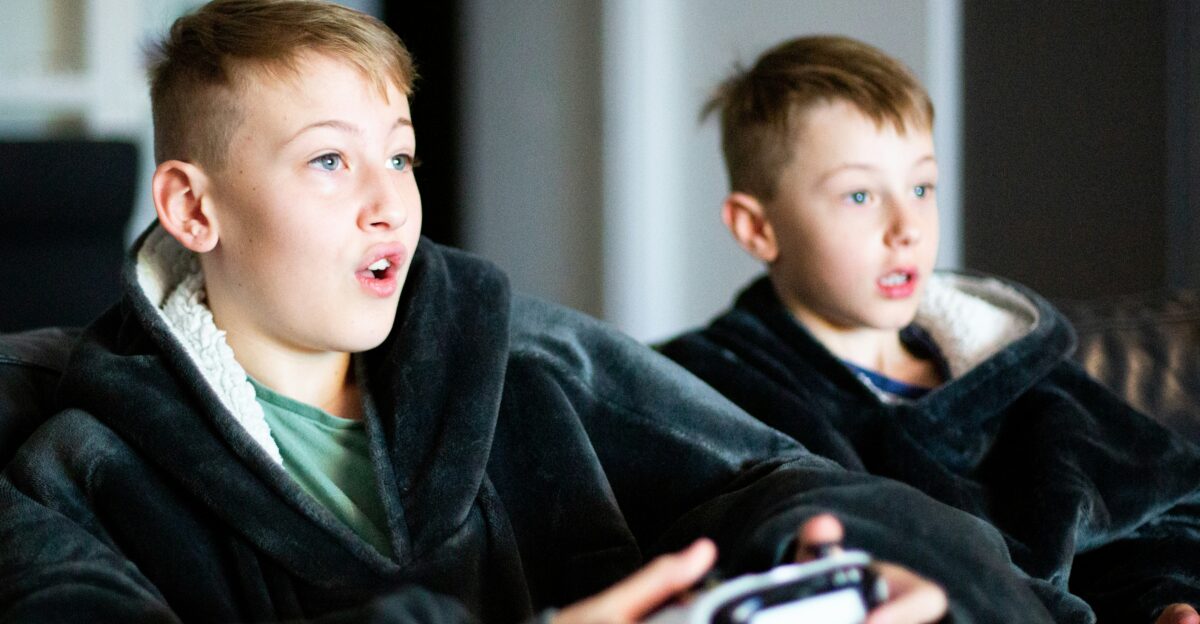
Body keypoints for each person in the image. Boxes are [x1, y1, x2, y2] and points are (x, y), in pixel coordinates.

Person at [0, 3, 1060, 622]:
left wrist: (842, 572)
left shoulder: (521, 353)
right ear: (193, 206)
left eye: (401, 158)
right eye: (329, 160)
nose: (389, 204)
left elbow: (773, 476)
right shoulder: (84, 469)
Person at [657, 34, 1200, 624]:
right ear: (757, 228)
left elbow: (1152, 515)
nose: (906, 226)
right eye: (860, 194)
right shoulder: (708, 388)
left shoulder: (1015, 370)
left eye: (921, 187)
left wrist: (1161, 602)